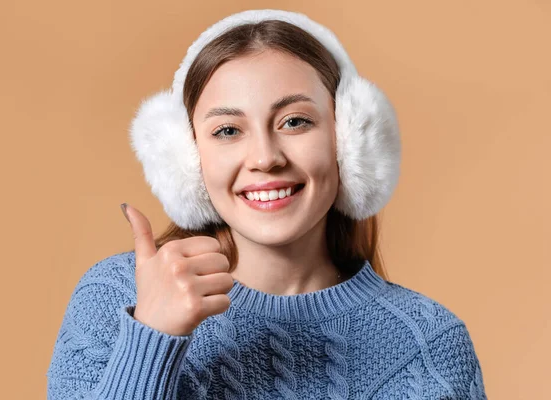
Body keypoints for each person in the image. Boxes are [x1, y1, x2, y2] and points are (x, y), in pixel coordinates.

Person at [46, 9, 487, 399]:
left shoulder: (428, 342)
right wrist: (152, 337)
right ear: (185, 157)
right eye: (227, 131)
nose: (264, 158)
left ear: (351, 140)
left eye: (295, 122)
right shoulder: (117, 296)